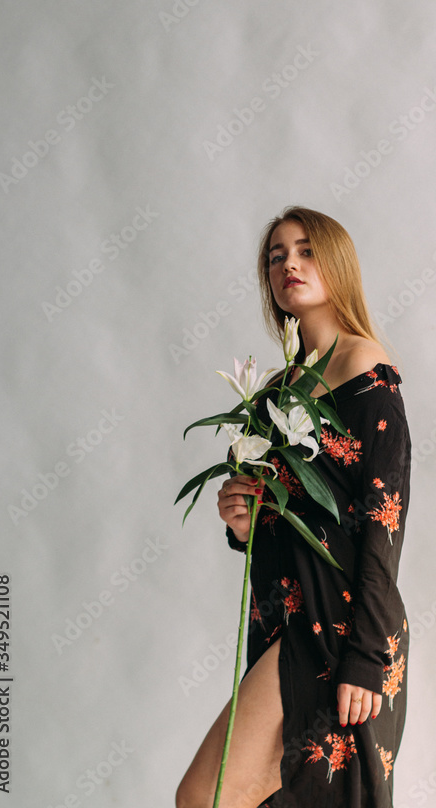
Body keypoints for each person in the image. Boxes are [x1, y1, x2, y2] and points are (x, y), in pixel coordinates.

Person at [176, 206, 411, 808]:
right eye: (276, 256)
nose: (289, 264)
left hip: (343, 625)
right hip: (283, 617)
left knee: (203, 797)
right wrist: (241, 521)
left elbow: (386, 524)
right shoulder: (276, 392)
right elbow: (280, 517)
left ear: (336, 263)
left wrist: (365, 656)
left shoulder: (365, 368)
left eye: (305, 250)